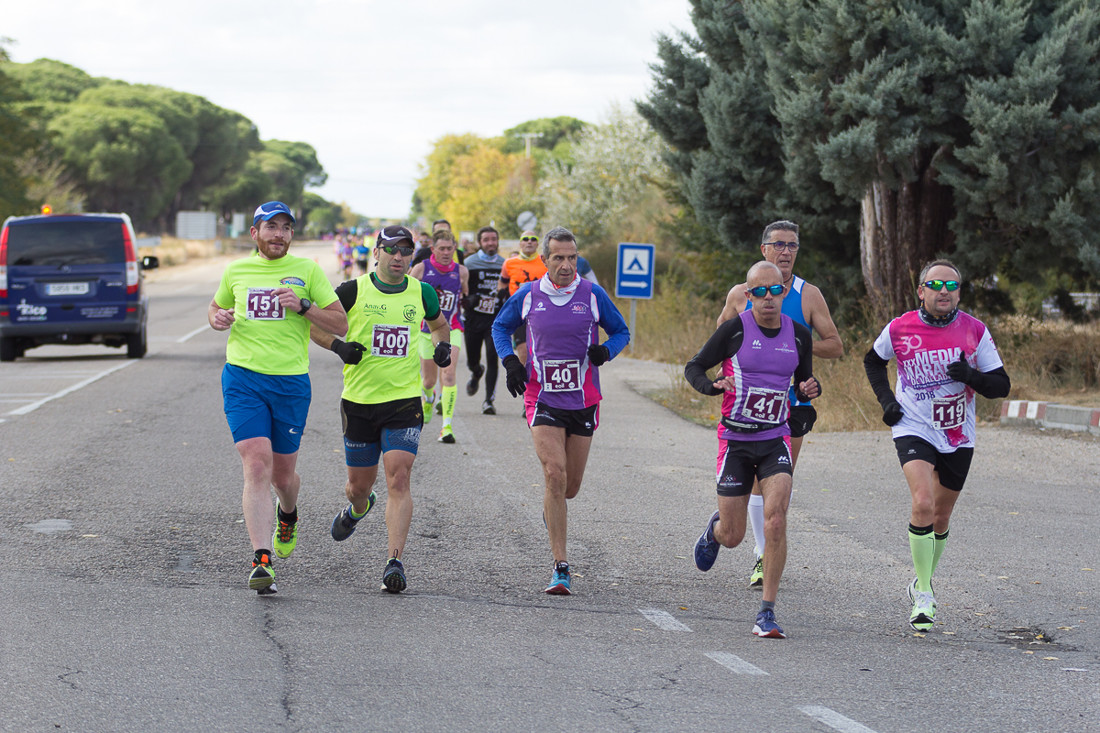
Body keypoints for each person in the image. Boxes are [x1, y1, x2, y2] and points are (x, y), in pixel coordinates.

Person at [208, 201, 348, 595]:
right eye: (271, 227)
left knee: (283, 477)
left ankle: (289, 511)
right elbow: (217, 307)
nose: (279, 235)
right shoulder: (237, 270)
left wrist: (303, 306)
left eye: (286, 228)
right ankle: (261, 558)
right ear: (254, 233)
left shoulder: (308, 271)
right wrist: (216, 318)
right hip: (243, 378)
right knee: (256, 464)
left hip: (289, 383)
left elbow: (341, 322)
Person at [863, 259, 1010, 631]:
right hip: (912, 425)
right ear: (922, 291)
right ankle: (925, 592)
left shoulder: (975, 331)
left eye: (952, 286)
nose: (944, 292)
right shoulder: (900, 328)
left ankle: (920, 580)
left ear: (959, 292)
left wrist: (970, 376)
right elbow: (873, 361)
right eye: (936, 285)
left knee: (941, 517)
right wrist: (887, 401)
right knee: (923, 503)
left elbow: (1001, 386)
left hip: (957, 432)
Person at [310, 225, 452, 594]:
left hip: (404, 401)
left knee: (399, 478)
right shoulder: (353, 289)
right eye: (392, 250)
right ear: (377, 253)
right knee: (360, 486)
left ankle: (395, 561)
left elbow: (439, 325)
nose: (399, 257)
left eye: (406, 251)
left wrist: (442, 347)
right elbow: (313, 325)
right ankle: (358, 509)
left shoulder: (422, 292)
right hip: (359, 402)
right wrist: (339, 348)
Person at [491, 227, 630, 595]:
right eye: (558, 258)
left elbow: (621, 332)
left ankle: (553, 511)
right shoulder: (529, 294)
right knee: (554, 473)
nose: (567, 265)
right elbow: (500, 326)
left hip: (583, 400)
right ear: (545, 260)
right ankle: (560, 566)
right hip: (542, 397)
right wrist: (510, 363)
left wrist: (606, 351)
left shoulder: (592, 295)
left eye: (572, 258)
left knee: (569, 487)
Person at [685, 261, 820, 638]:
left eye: (774, 291)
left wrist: (811, 390)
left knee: (776, 518)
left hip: (774, 438)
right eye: (759, 292)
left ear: (783, 293)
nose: (768, 299)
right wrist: (712, 387)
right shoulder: (734, 331)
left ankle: (767, 611)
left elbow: (805, 381)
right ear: (749, 295)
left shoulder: (799, 335)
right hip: (735, 442)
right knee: (734, 536)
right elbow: (694, 367)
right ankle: (714, 531)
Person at [716, 220, 844, 588]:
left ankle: (760, 556)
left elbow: (835, 345)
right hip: (746, 403)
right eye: (779, 245)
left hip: (791, 405)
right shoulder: (741, 294)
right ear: (764, 250)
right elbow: (719, 339)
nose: (786, 252)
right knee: (754, 485)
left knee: (774, 483)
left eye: (792, 246)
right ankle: (756, 548)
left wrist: (793, 345)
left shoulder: (808, 295)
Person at [409, 229, 468, 443]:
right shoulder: (421, 268)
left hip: (452, 328)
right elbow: (407, 293)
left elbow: (465, 296)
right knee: (428, 380)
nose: (445, 252)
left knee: (449, 375)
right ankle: (429, 398)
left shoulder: (461, 271)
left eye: (449, 249)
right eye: (441, 248)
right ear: (433, 249)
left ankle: (447, 427)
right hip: (426, 331)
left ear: (455, 249)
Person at [462, 225, 506, 414]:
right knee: (473, 359)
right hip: (473, 318)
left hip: (495, 320)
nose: (490, 243)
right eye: (486, 239)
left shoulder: (505, 264)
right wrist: (468, 300)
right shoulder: (469, 263)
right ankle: (476, 371)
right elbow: (461, 289)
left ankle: (488, 400)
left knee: (492, 357)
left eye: (493, 239)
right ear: (480, 242)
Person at [498, 230, 547, 367]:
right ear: (520, 243)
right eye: (525, 239)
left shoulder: (545, 262)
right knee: (524, 353)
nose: (529, 241)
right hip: (520, 313)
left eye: (533, 238)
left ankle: (542, 384)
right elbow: (502, 282)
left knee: (543, 353)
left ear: (537, 243)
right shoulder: (509, 263)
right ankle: (526, 387)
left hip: (542, 312)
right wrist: (502, 294)